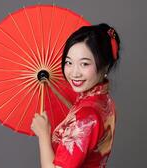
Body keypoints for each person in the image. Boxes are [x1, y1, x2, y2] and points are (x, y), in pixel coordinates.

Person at [31, 23, 121, 168]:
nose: (74, 73)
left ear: (105, 65)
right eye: (69, 62)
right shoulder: (105, 100)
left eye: (84, 64)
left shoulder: (86, 117)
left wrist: (43, 136)